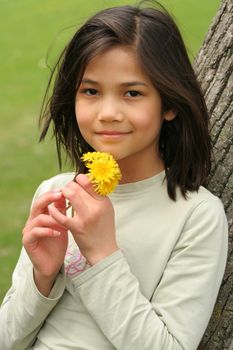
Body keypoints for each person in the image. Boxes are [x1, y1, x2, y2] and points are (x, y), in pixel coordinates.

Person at [0, 2, 228, 350]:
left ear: (168, 104)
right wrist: (41, 277)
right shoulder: (58, 193)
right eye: (91, 91)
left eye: (132, 93)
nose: (108, 113)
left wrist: (103, 255)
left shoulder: (196, 215)